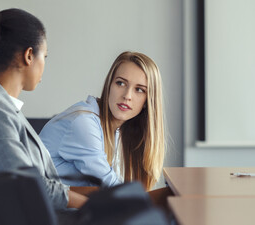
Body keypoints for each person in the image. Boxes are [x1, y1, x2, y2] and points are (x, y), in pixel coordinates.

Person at [0, 4, 87, 211]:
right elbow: (28, 186)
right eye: (44, 57)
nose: (44, 65)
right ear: (29, 55)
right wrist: (92, 206)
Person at [40, 51, 165, 190]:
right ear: (109, 85)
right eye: (121, 83)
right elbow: (111, 186)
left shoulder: (119, 129)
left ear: (148, 101)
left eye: (139, 90)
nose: (127, 95)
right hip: (44, 209)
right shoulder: (83, 122)